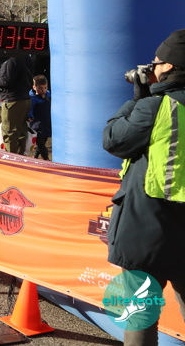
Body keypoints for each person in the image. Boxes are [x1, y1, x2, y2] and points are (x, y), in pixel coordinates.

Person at [103, 29, 185, 346]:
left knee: (141, 317)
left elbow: (113, 139)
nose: (152, 66)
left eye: (156, 61)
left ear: (169, 66)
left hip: (147, 229)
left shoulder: (154, 107)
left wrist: (138, 98)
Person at [0, 53, 34, 154]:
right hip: (25, 99)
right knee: (21, 131)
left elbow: (5, 81)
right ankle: (20, 157)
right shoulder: (25, 56)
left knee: (10, 132)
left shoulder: (11, 60)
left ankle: (11, 158)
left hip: (13, 101)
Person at [28, 75, 51, 160]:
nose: (43, 90)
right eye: (40, 88)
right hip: (36, 125)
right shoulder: (33, 98)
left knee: (43, 142)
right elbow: (30, 108)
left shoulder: (48, 95)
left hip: (46, 123)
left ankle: (35, 156)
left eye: (45, 88)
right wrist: (30, 116)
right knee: (41, 143)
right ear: (34, 87)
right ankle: (46, 159)